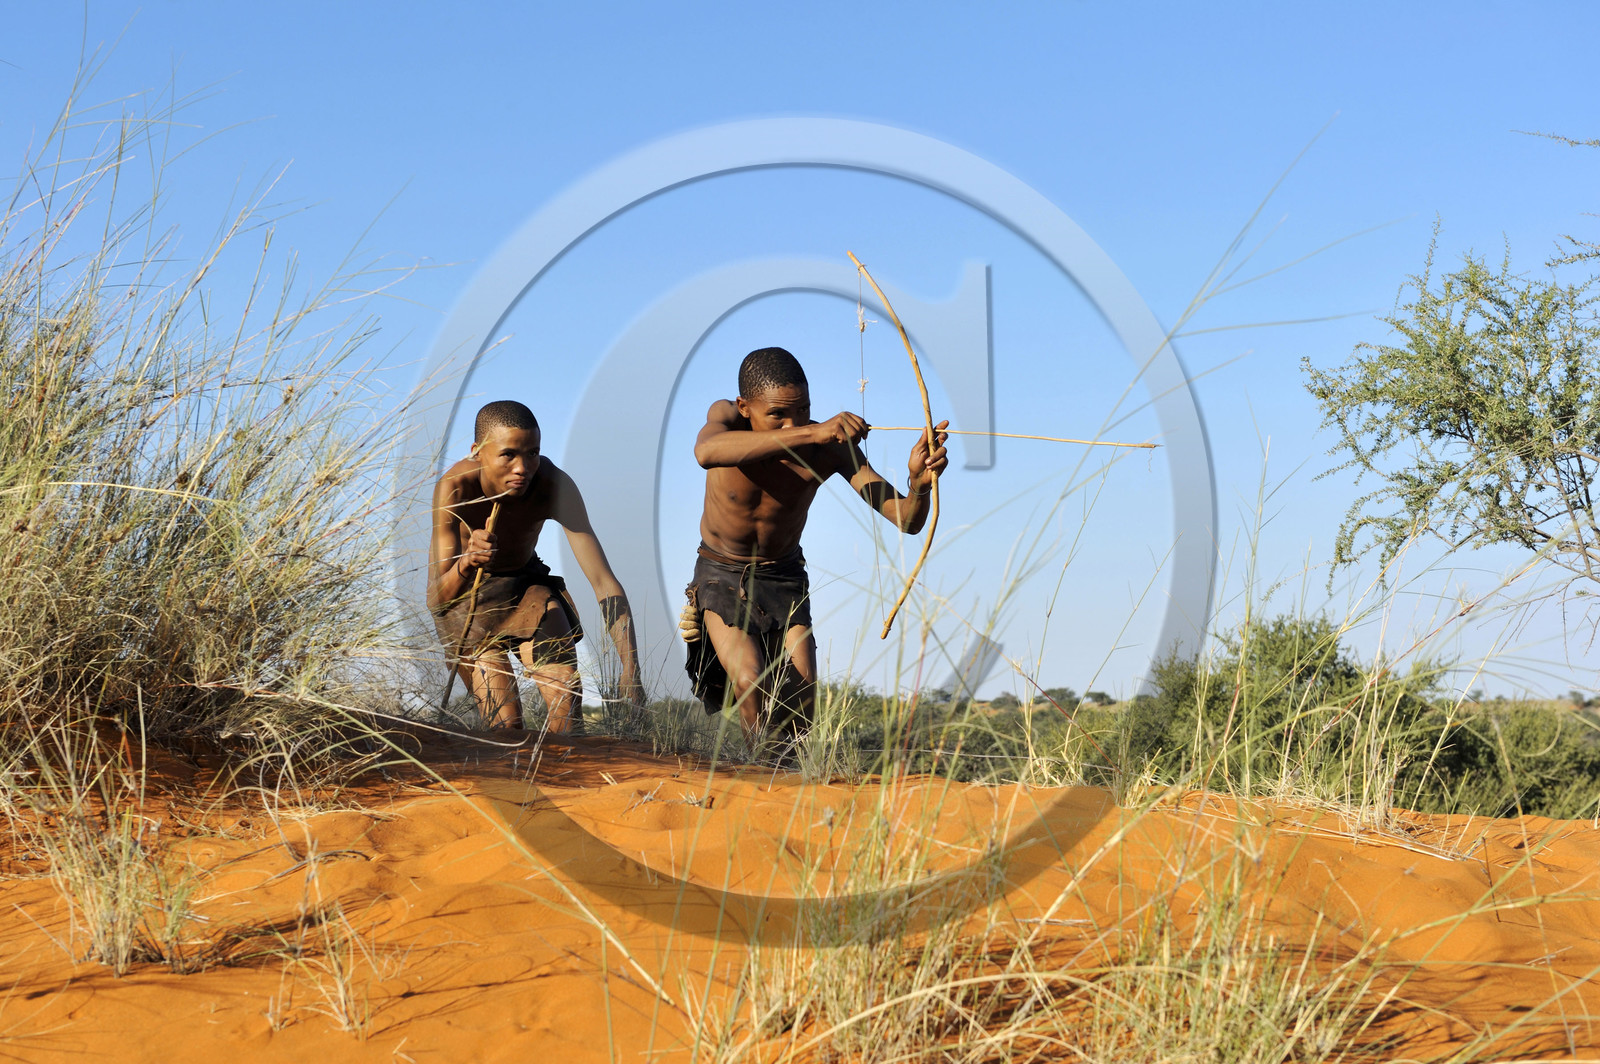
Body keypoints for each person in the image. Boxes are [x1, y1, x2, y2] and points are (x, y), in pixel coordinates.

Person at [682, 346, 948, 756]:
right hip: (722, 573)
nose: (793, 422)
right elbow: (706, 453)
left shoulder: (830, 447)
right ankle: (764, 777)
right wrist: (812, 431)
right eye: (777, 415)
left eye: (803, 411)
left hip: (784, 577)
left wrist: (919, 482)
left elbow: (907, 520)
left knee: (801, 702)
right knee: (750, 680)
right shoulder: (727, 419)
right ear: (744, 407)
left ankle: (794, 783)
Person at [429, 400, 644, 731]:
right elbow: (438, 598)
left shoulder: (553, 486)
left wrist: (631, 669)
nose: (523, 467)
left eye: (532, 453)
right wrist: (468, 561)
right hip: (468, 596)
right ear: (477, 452)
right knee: (506, 724)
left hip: (525, 584)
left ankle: (571, 775)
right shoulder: (456, 489)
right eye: (508, 455)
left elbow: (604, 582)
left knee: (566, 697)